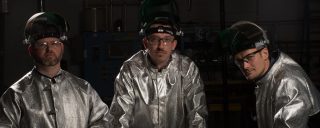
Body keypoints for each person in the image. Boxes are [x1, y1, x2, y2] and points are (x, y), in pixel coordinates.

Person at [0, 12, 111, 128]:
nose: (49, 49)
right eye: (42, 44)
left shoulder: (84, 89)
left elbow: (103, 122)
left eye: (54, 43)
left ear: (62, 47)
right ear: (31, 50)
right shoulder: (16, 94)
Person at [108, 0, 208, 127]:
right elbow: (120, 117)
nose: (161, 46)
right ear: (145, 43)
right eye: (155, 39)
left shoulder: (187, 69)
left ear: (174, 44)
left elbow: (197, 114)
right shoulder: (131, 70)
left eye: (166, 40)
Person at [220, 20, 320, 128]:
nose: (245, 66)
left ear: (265, 53)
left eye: (249, 57)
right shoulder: (261, 77)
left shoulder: (287, 83)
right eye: (239, 61)